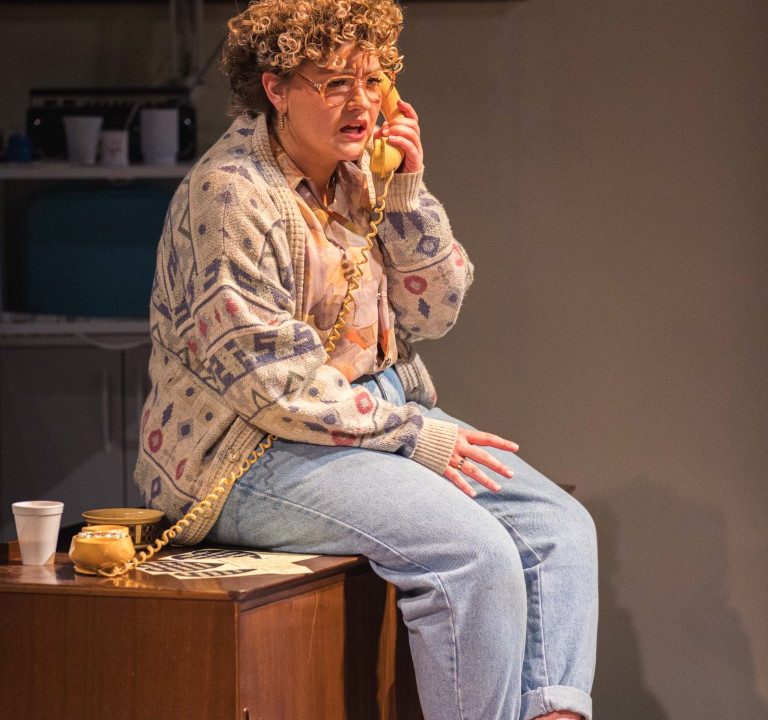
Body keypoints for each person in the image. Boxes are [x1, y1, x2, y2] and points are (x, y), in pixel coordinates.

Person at [133, 1, 598, 718]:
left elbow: (433, 312)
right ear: (275, 88)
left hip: (365, 417)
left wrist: (407, 190)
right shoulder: (229, 193)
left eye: (374, 81)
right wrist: (416, 436)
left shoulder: (360, 177)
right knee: (473, 554)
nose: (362, 103)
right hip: (249, 451)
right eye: (333, 84)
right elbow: (272, 384)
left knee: (559, 528)